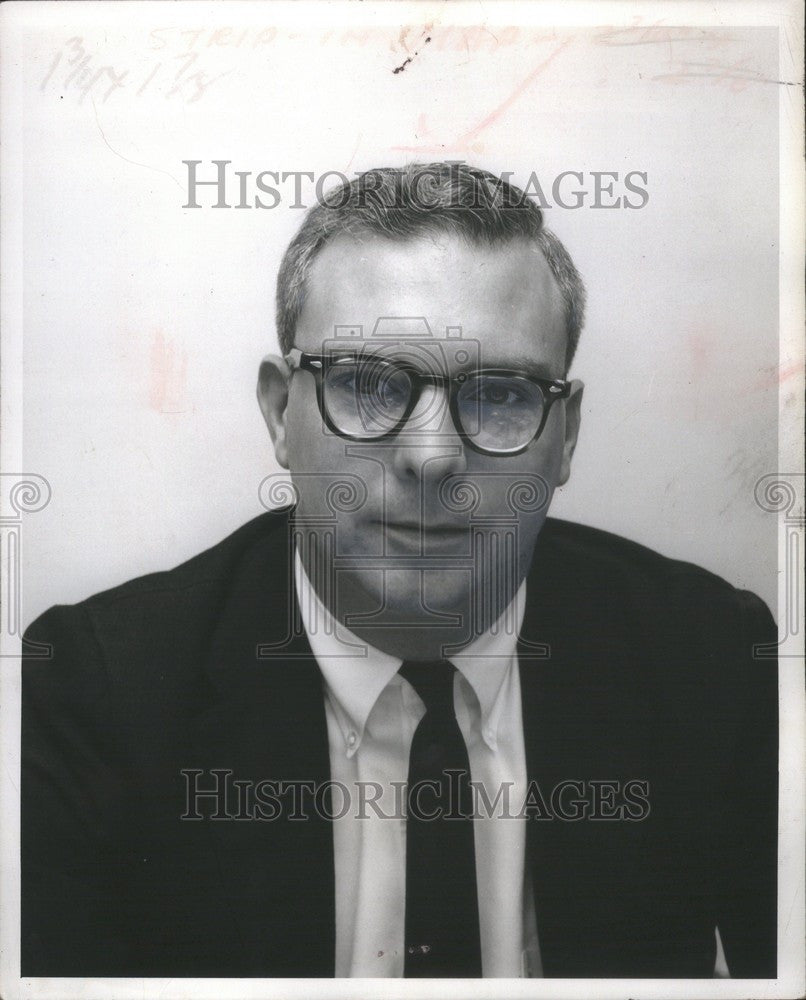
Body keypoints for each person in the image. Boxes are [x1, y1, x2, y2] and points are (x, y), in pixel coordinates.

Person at [21, 162, 778, 979]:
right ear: (281, 414)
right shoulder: (93, 695)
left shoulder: (713, 663)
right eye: (368, 385)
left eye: (500, 394)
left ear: (566, 434)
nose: (430, 456)